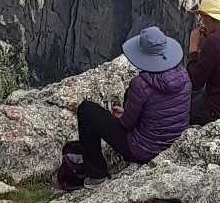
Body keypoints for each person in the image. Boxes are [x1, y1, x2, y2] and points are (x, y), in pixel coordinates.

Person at [75, 25, 192, 189]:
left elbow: (127, 125)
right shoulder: (184, 75)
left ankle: (97, 176)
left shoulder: (140, 85)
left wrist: (121, 117)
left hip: (143, 150)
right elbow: (162, 111)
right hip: (175, 143)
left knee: (86, 110)